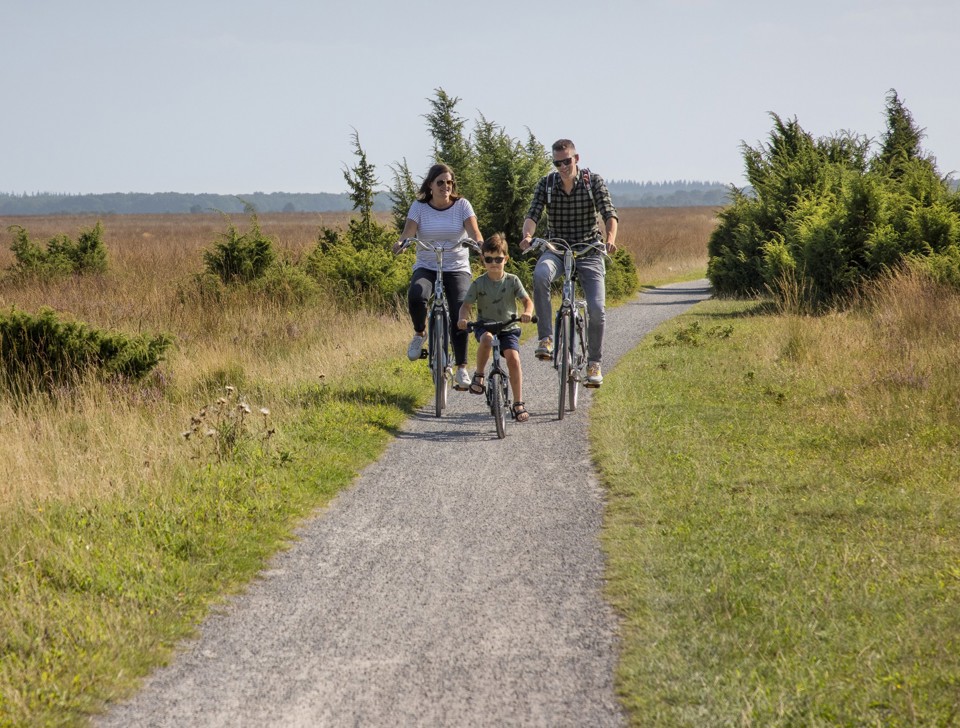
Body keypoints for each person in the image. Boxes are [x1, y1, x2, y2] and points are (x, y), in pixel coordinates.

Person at [519, 139, 618, 388]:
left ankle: (594, 363)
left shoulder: (592, 181)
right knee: (541, 275)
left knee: (597, 308)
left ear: (576, 159)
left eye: (567, 161)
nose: (562, 166)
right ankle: (546, 339)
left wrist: (610, 240)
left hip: (589, 249)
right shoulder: (548, 184)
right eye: (557, 162)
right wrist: (528, 236)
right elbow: (533, 213)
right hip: (558, 248)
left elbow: (609, 213)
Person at [393, 163, 483, 391]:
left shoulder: (462, 205)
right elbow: (408, 234)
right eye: (441, 182)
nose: (446, 186)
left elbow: (475, 234)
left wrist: (480, 247)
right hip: (427, 265)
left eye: (449, 182)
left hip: (456, 266)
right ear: (430, 185)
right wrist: (401, 244)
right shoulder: (419, 207)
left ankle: (462, 367)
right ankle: (420, 333)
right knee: (416, 295)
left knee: (460, 310)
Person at [457, 234, 534, 423]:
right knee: (487, 339)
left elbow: (527, 301)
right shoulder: (478, 283)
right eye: (489, 259)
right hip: (486, 325)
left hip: (509, 327)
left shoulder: (512, 280)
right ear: (483, 259)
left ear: (505, 259)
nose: (494, 263)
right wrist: (462, 319)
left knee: (514, 359)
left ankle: (518, 403)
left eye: (498, 259)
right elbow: (466, 305)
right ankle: (480, 375)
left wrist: (527, 313)